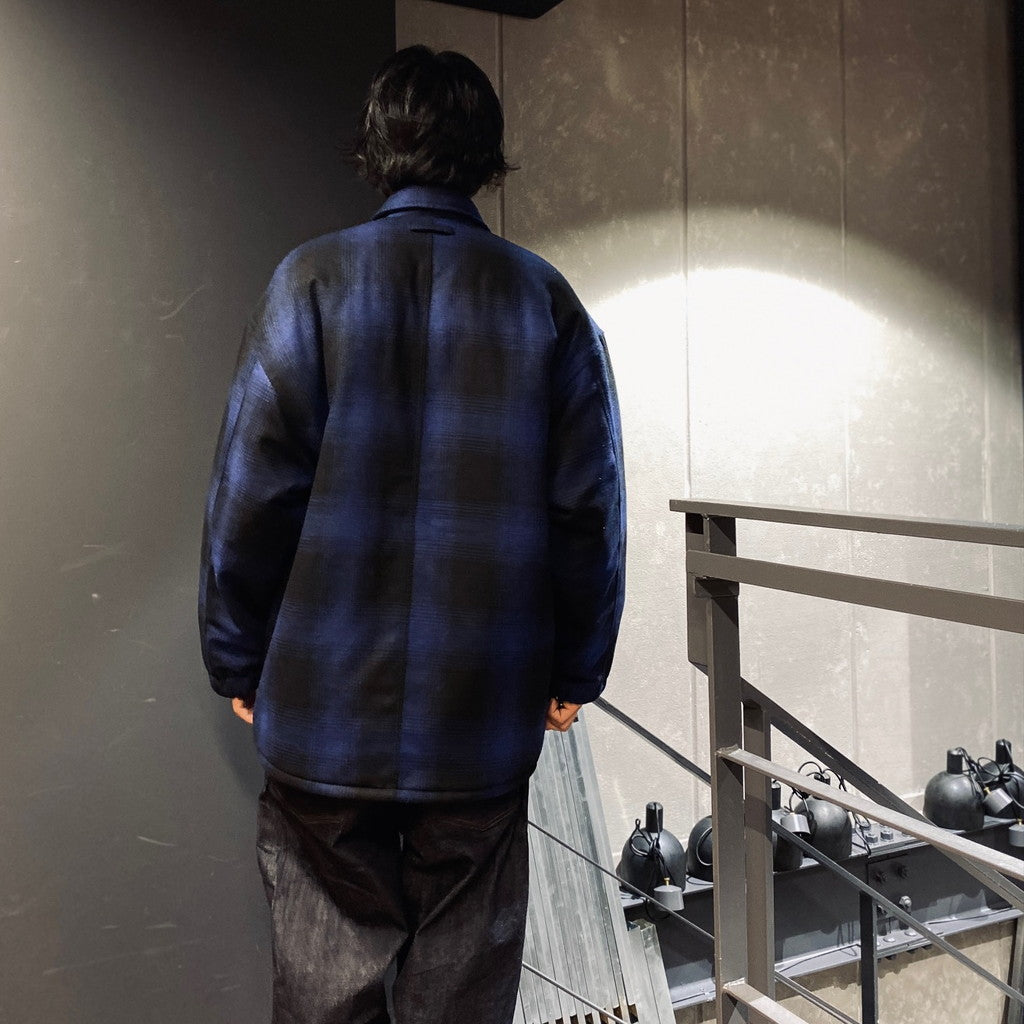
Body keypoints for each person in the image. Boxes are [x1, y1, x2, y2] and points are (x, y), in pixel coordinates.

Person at [198, 44, 626, 1024]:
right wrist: (576, 668)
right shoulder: (546, 303)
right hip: (481, 713)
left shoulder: (309, 284)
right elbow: (587, 511)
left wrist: (237, 657)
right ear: (488, 155)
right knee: (461, 991)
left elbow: (249, 495)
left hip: (321, 709)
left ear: (375, 148)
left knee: (324, 984)